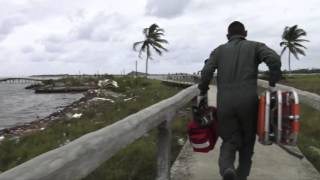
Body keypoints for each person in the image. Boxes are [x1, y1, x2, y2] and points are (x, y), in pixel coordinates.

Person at [198, 21, 281, 180]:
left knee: (229, 140)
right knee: (248, 141)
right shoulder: (255, 46)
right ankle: (242, 175)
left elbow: (207, 71)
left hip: (225, 104)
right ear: (246, 33)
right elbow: (274, 60)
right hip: (249, 102)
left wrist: (203, 91)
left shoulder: (218, 51)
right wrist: (271, 84)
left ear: (227, 36)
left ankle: (227, 168)